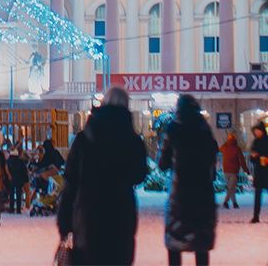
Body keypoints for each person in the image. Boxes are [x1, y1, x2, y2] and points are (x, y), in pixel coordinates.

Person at [57, 86, 149, 266]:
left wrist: (64, 223)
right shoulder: (133, 140)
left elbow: (70, 182)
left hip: (88, 215)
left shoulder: (84, 138)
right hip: (120, 215)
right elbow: (139, 175)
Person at [159, 94, 218, 266]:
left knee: (175, 241)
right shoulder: (204, 129)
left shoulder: (173, 128)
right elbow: (212, 157)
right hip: (203, 194)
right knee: (201, 242)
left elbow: (162, 163)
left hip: (180, 195)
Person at [219, 131, 247, 209]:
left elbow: (220, 148)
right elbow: (242, 161)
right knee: (231, 188)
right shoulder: (237, 149)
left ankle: (234, 203)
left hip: (225, 171)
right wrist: (246, 170)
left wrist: (226, 142)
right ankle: (225, 202)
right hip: (234, 171)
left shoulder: (224, 147)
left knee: (231, 187)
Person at [250, 121, 268, 223]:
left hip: (267, 170)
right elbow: (252, 157)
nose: (256, 133)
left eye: (257, 131)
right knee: (257, 194)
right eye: (255, 131)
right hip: (259, 171)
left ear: (262, 131)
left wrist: (265, 158)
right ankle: (255, 216)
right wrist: (254, 157)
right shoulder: (255, 142)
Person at [7, 146, 29, 214]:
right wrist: (25, 179)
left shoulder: (8, 161)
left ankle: (11, 209)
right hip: (19, 179)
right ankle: (18, 209)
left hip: (11, 179)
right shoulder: (21, 161)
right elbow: (24, 171)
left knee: (11, 194)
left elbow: (6, 170)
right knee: (19, 194)